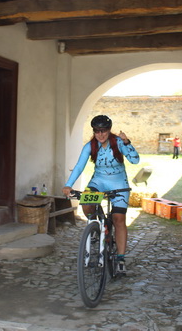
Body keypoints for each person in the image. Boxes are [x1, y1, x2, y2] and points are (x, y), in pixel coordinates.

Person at [62, 115, 140, 276]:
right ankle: (97, 226)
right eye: (97, 131)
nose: (100, 134)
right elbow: (79, 166)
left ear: (109, 130)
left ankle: (120, 259)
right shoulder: (90, 146)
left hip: (119, 183)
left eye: (103, 131)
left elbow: (135, 160)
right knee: (86, 202)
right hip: (98, 182)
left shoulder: (118, 142)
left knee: (119, 218)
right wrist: (69, 184)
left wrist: (127, 142)